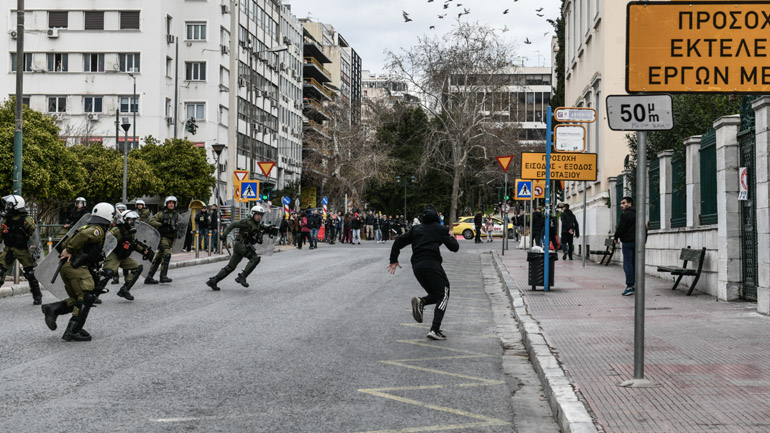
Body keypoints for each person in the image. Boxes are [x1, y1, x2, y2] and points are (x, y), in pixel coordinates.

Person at [41, 202, 114, 342]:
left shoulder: (87, 225)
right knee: (87, 297)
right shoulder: (97, 230)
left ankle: (53, 309)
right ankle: (72, 330)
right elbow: (84, 236)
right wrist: (70, 249)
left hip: (69, 267)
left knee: (77, 299)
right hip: (76, 267)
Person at [388, 204, 459, 341]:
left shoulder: (416, 229)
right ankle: (435, 329)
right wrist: (451, 236)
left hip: (417, 267)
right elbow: (454, 248)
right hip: (432, 264)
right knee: (444, 293)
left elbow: (398, 241)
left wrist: (393, 260)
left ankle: (421, 301)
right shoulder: (440, 229)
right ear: (436, 216)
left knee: (436, 294)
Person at [207, 204, 277, 291]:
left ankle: (213, 281)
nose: (259, 217)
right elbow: (232, 225)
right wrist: (224, 234)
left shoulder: (258, 224)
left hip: (242, 246)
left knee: (231, 267)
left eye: (261, 215)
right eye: (257, 214)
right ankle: (242, 277)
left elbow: (263, 228)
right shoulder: (246, 222)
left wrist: (270, 228)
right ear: (253, 214)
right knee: (255, 258)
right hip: (241, 245)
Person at [100, 210, 154, 301]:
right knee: (108, 273)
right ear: (124, 220)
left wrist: (144, 251)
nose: (132, 223)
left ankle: (125, 289)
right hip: (114, 255)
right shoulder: (116, 230)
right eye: (130, 220)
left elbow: (133, 244)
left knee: (138, 268)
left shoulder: (131, 232)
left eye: (133, 220)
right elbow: (105, 239)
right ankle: (94, 295)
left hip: (123, 256)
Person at [0, 195, 43, 305]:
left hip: (23, 250)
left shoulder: (26, 220)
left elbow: (35, 236)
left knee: (30, 273)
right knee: (0, 270)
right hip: (9, 249)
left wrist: (34, 246)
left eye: (10, 205)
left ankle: (37, 296)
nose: (8, 207)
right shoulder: (6, 219)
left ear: (17, 205)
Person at [145, 196, 181, 284]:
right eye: (170, 203)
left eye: (173, 203)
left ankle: (149, 277)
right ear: (166, 204)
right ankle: (163, 276)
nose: (171, 204)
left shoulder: (177, 215)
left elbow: (183, 224)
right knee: (167, 254)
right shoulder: (161, 214)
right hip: (163, 237)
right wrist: (162, 224)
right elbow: (151, 221)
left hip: (172, 238)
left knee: (158, 258)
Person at [614, 196, 636, 296]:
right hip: (638, 242)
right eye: (621, 203)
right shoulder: (639, 213)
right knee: (635, 264)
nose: (621, 205)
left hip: (627, 242)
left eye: (623, 203)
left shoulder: (625, 215)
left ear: (629, 203)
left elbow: (621, 228)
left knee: (628, 264)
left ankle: (629, 285)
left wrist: (616, 237)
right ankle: (634, 284)